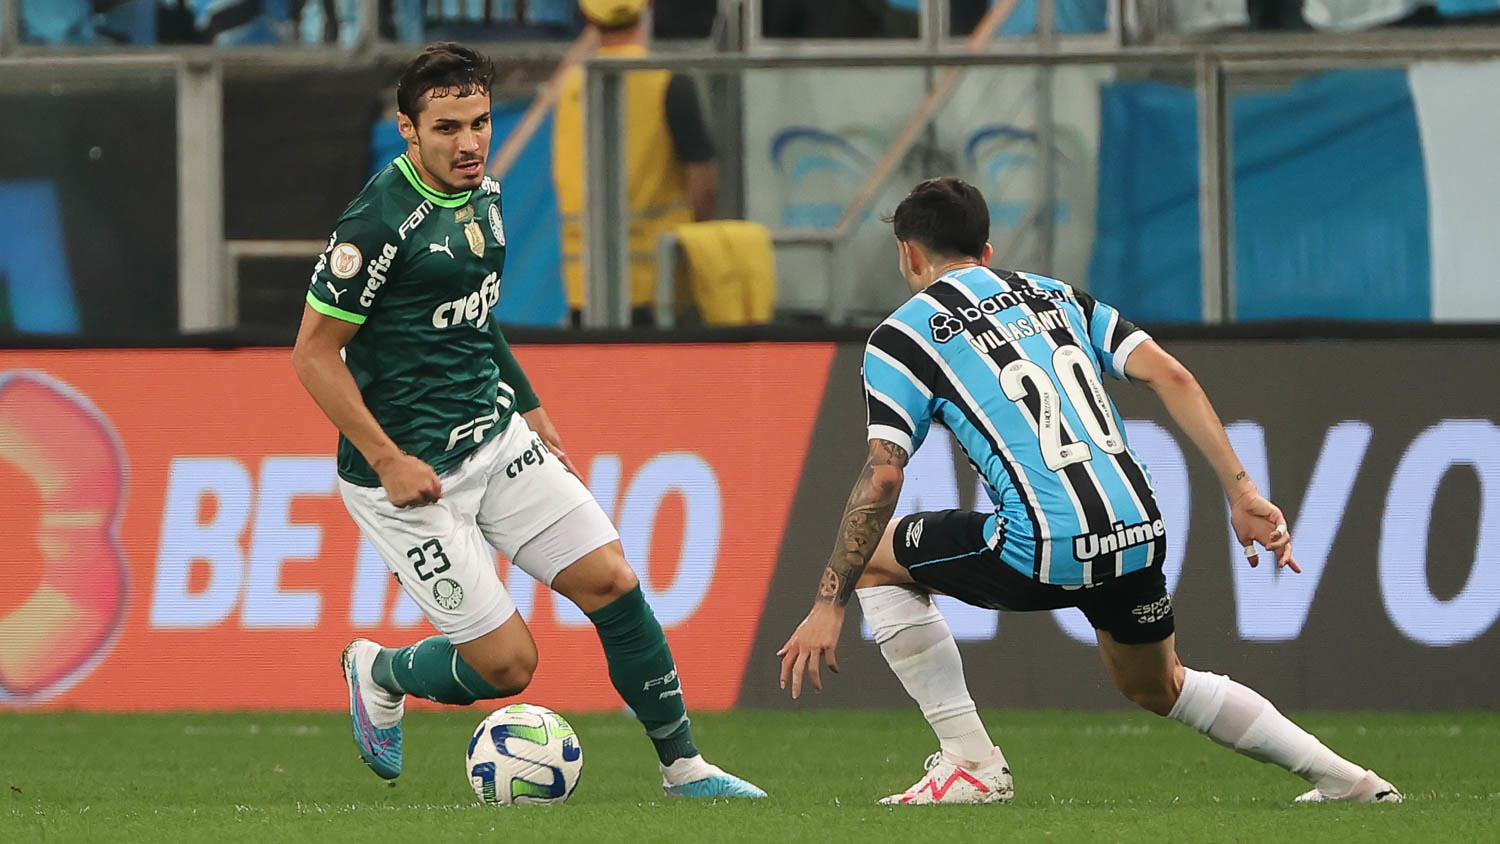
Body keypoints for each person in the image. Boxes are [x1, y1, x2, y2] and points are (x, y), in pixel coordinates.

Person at [776, 177, 1402, 806]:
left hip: (1045, 542)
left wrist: (829, 602)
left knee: (877, 563)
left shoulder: (901, 336)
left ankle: (971, 762)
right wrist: (1240, 491)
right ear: (988, 250)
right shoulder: (1056, 296)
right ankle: (1350, 781)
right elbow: (1172, 374)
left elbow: (885, 474)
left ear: (909, 255)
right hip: (1140, 530)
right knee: (1161, 686)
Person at [291, 42, 764, 800]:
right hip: (408, 476)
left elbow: (476, 319)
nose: (470, 141)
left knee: (612, 579)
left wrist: (531, 404)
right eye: (447, 127)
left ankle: (685, 769)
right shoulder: (376, 224)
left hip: (495, 434)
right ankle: (378, 669)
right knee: (508, 667)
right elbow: (313, 355)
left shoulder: (485, 192)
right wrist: (386, 460)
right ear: (408, 130)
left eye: (478, 121)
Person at [552, 0, 718, 328]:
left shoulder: (569, 86)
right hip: (660, 287)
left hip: (585, 288)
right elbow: (704, 185)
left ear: (588, 17)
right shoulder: (668, 82)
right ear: (647, 10)